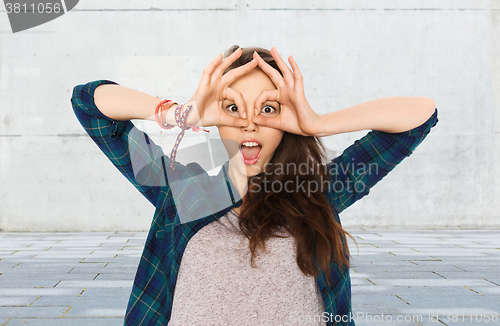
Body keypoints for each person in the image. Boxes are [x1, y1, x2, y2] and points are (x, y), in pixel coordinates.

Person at [70, 45, 438, 326]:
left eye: (267, 109)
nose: (249, 123)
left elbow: (419, 116)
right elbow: (89, 103)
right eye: (233, 108)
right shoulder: (182, 192)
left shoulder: (319, 191)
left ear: (287, 121)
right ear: (215, 117)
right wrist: (181, 113)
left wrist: (317, 122)